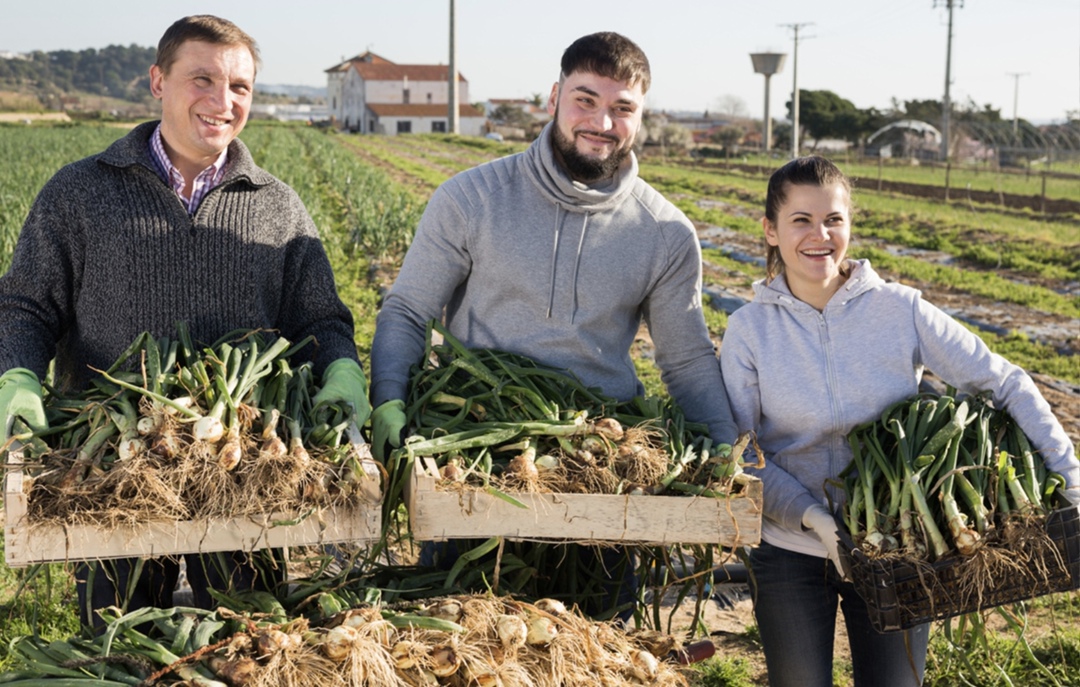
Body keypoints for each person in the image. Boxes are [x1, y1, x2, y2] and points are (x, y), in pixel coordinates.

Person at [0, 15, 370, 630]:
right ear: (158, 81)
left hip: (241, 465)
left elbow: (320, 317)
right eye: (202, 78)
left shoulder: (276, 205)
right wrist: (15, 374)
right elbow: (25, 306)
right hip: (114, 465)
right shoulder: (80, 192)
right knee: (120, 642)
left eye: (241, 88)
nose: (222, 102)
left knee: (246, 643)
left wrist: (341, 370)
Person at [369, 32, 738, 616]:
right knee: (460, 648)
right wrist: (388, 398)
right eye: (585, 100)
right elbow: (408, 311)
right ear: (553, 98)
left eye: (622, 108)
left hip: (599, 460)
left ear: (640, 117)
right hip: (475, 450)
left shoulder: (664, 232)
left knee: (599, 649)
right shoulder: (472, 197)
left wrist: (721, 445)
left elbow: (687, 358)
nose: (602, 121)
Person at [719, 155, 1080, 687]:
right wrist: (811, 516)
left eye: (833, 220)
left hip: (896, 547)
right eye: (801, 220)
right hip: (791, 548)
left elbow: (1006, 382)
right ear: (771, 231)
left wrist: (1070, 482)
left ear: (849, 225)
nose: (820, 235)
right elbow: (743, 451)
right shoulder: (749, 330)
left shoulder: (900, 309)